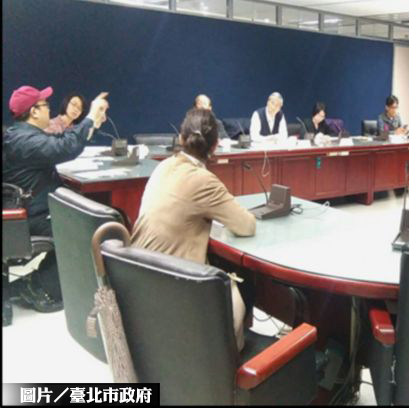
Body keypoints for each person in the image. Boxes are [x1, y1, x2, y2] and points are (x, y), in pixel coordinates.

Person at [131, 108, 256, 351]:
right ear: (215, 146)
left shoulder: (163, 166)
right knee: (241, 280)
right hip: (176, 286)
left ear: (181, 138)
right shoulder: (204, 180)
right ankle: (231, 353)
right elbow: (246, 226)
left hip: (140, 280)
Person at [3, 85, 109, 319]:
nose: (49, 109)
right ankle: (41, 287)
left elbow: (62, 140)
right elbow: (65, 146)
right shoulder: (26, 140)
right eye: (45, 105)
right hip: (32, 215)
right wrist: (91, 116)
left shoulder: (20, 135)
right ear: (33, 112)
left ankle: (41, 280)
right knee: (85, 231)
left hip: (27, 209)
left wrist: (91, 124)